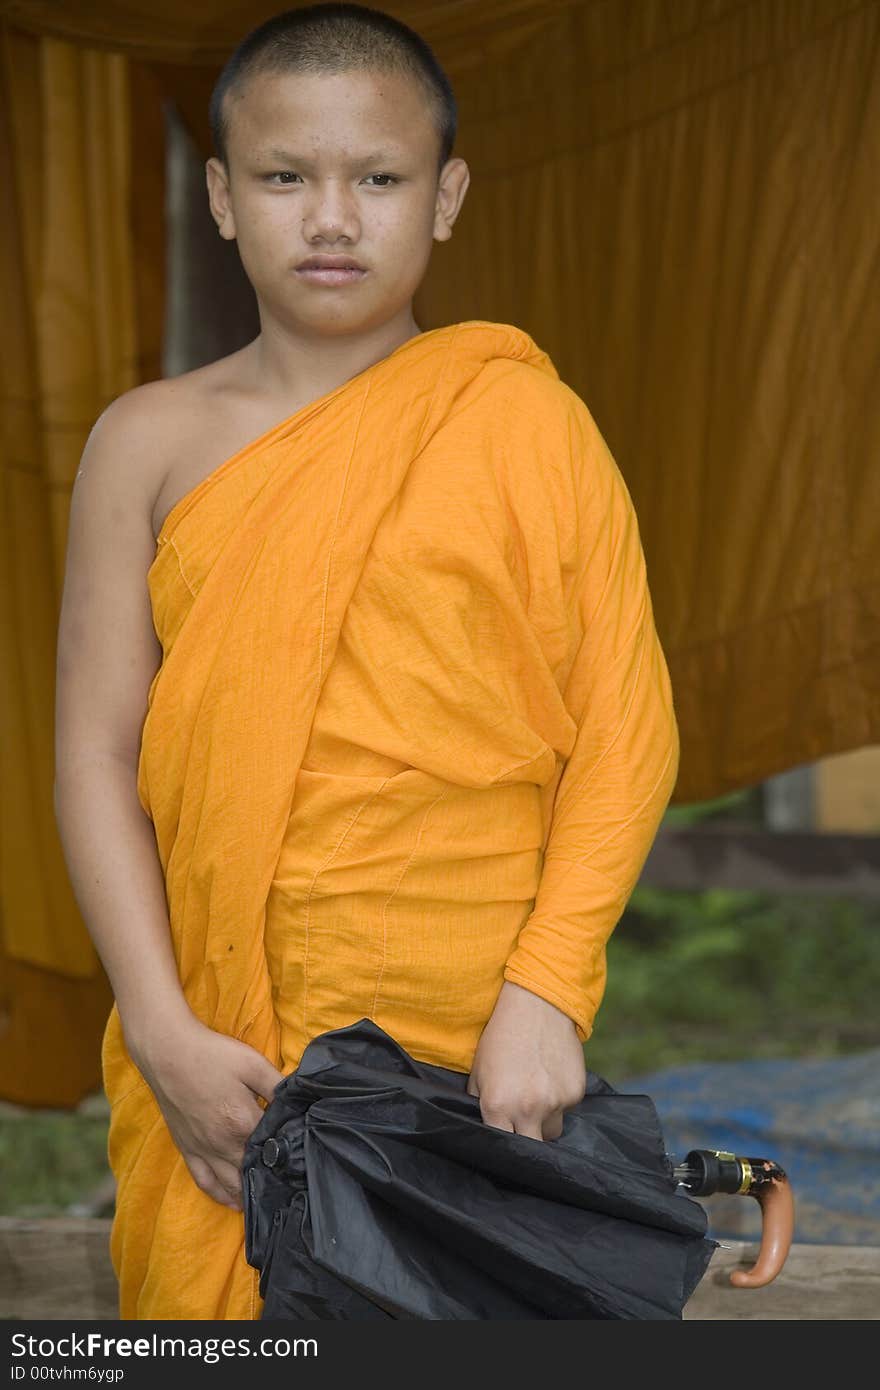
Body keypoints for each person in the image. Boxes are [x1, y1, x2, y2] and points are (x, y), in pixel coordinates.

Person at [54, 3, 680, 1320]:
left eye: (378, 179)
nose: (331, 217)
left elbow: (626, 735)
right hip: (226, 1055)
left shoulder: (526, 424)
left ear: (444, 197)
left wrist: (546, 995)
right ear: (222, 196)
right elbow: (97, 753)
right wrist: (161, 1030)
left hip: (470, 1057)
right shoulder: (148, 441)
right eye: (286, 177)